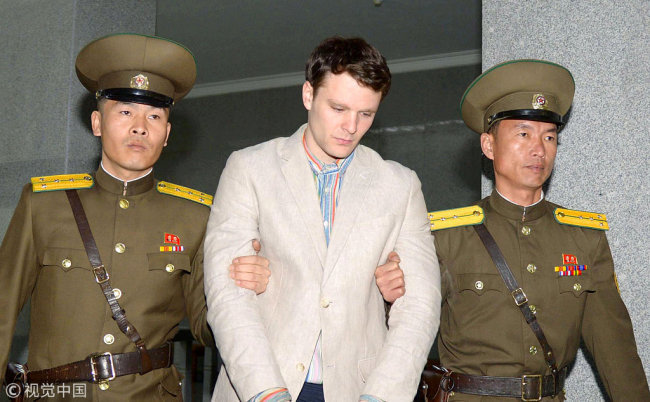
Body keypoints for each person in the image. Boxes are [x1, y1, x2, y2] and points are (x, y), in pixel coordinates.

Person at [0, 33, 272, 400]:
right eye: (125, 112)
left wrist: (248, 292)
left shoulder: (196, 216)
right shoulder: (44, 203)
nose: (140, 126)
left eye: (154, 116)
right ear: (97, 123)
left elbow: (211, 326)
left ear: (166, 134)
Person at [203, 36, 440, 402]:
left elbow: (421, 305)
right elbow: (227, 294)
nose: (351, 126)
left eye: (366, 114)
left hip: (360, 390)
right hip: (263, 385)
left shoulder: (400, 184)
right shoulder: (248, 168)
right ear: (308, 96)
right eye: (339, 108)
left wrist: (384, 395)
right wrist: (266, 392)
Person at [425, 59, 650, 400]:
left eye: (549, 136)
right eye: (523, 133)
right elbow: (401, 331)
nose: (538, 149)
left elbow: (615, 351)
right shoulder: (447, 237)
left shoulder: (584, 239)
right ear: (489, 146)